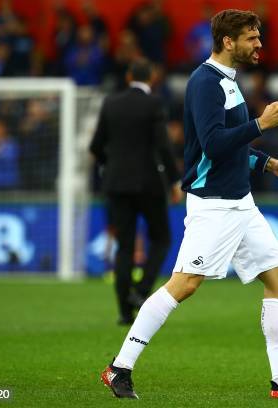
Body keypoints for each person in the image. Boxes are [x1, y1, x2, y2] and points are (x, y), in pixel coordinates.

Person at [100, 9, 278, 400]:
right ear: (229, 41)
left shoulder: (229, 81)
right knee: (184, 284)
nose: (260, 44)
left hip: (241, 201)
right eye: (252, 38)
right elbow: (211, 144)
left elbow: (231, 146)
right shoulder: (205, 82)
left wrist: (267, 162)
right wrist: (260, 124)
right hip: (214, 204)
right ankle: (118, 368)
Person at [89, 59, 182, 324]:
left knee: (125, 247)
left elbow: (96, 147)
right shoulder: (153, 104)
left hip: (116, 185)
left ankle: (123, 313)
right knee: (161, 238)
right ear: (151, 78)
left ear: (129, 76)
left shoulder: (111, 103)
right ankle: (141, 293)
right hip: (148, 184)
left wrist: (112, 165)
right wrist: (174, 182)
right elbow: (163, 146)